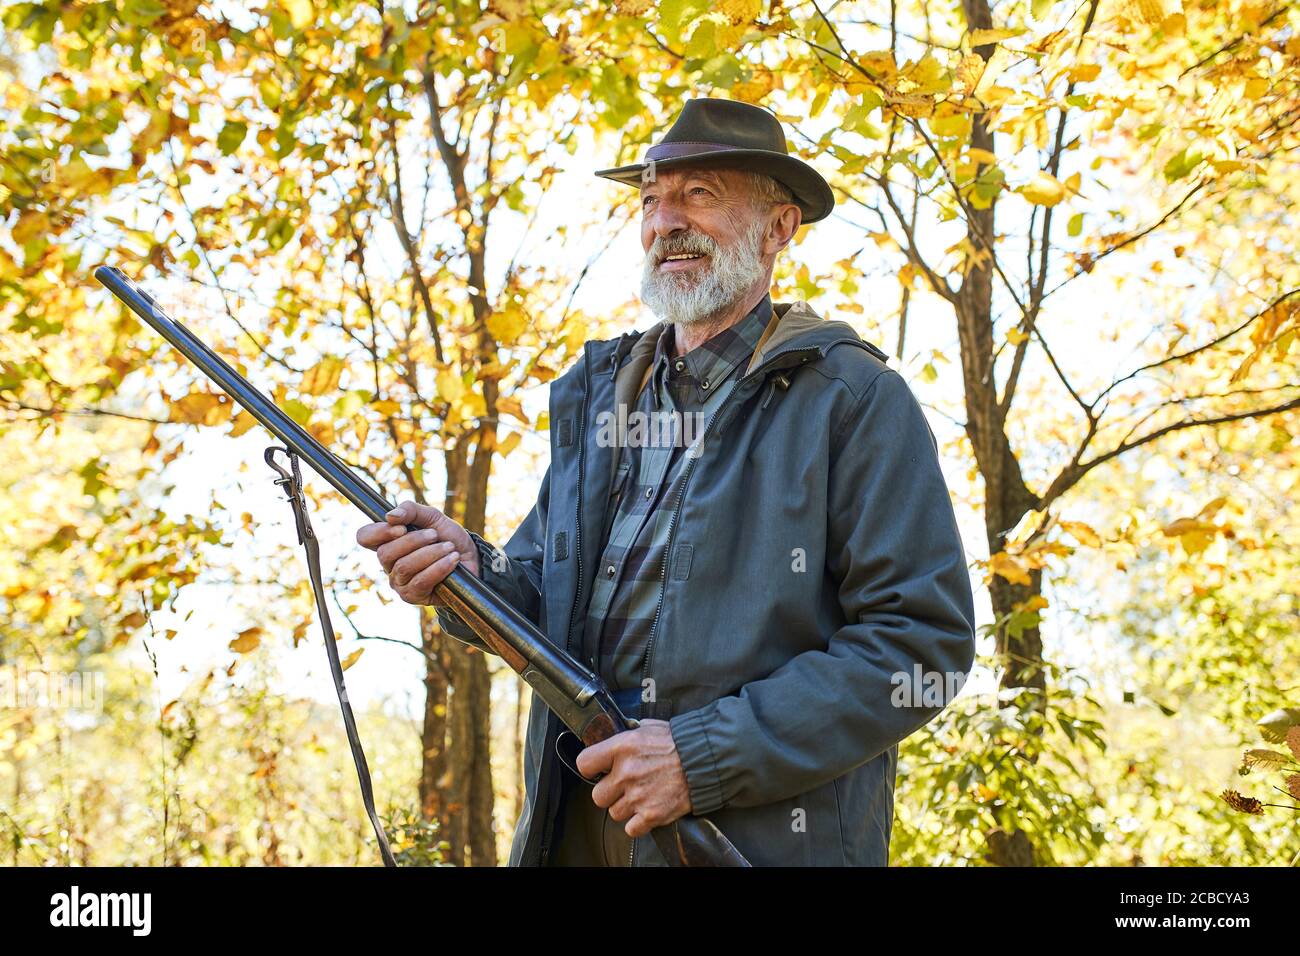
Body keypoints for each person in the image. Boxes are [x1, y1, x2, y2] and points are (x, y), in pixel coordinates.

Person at [356, 98, 976, 866]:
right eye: (651, 200)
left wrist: (702, 756)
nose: (664, 221)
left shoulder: (850, 400)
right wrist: (472, 572)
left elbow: (920, 645)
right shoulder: (601, 397)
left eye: (700, 195)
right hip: (576, 840)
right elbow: (547, 602)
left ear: (780, 228)